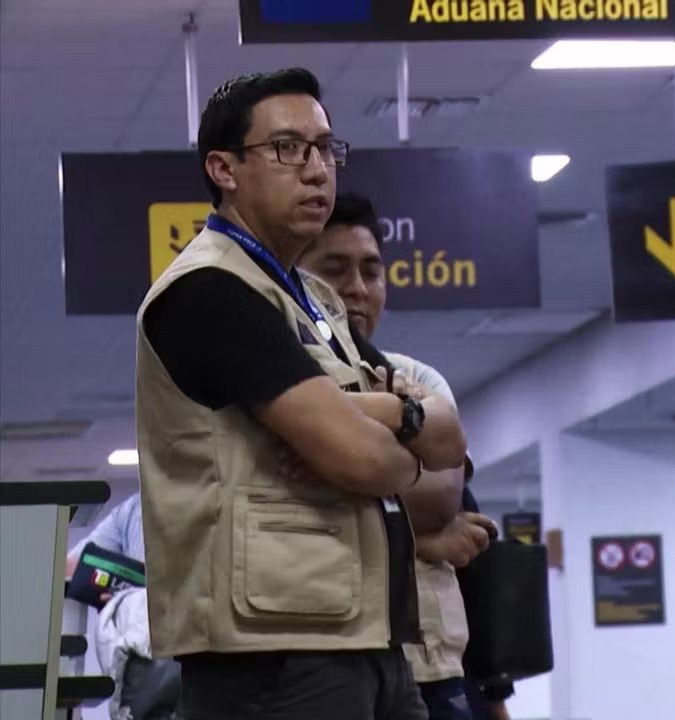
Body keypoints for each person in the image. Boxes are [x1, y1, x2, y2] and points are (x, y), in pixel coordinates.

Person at [136, 68, 466, 720]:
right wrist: (398, 440)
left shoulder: (315, 299)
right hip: (272, 650)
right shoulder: (207, 290)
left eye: (324, 148)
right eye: (288, 148)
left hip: (369, 637)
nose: (317, 170)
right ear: (224, 169)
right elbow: (363, 459)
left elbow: (450, 437)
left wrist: (381, 415)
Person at [298, 192, 514, 720]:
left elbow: (440, 497)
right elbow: (284, 502)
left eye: (371, 272)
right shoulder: (281, 382)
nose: (357, 288)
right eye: (335, 270)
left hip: (429, 663)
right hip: (319, 662)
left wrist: (336, 475)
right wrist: (424, 539)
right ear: (294, 280)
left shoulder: (417, 378)